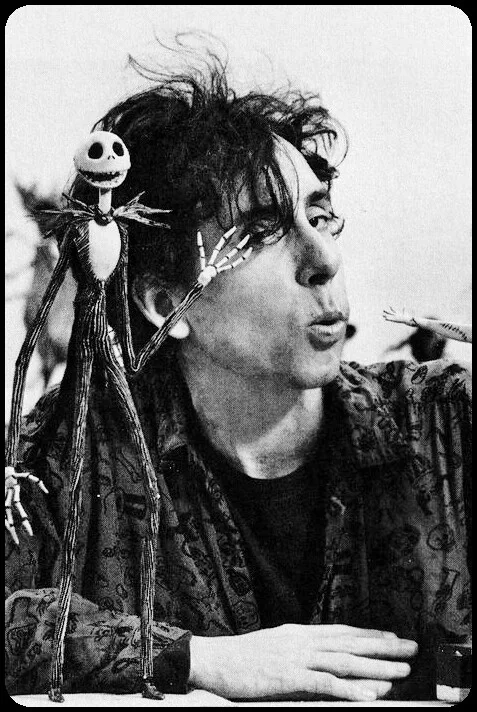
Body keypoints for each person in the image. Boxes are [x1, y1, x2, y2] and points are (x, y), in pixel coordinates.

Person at [5, 48, 471, 703]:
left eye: (320, 217)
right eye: (261, 232)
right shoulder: (70, 451)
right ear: (167, 303)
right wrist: (192, 659)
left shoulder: (447, 425)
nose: (324, 259)